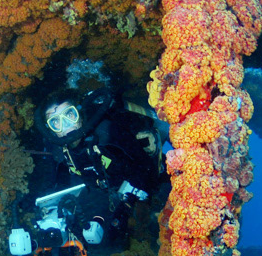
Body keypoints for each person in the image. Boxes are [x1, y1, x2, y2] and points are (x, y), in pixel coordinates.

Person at [34, 87, 165, 246]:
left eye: (69, 114)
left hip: (149, 176)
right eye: (56, 122)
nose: (66, 125)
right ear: (51, 131)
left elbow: (146, 169)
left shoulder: (107, 133)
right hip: (110, 188)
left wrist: (128, 203)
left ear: (79, 114)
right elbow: (56, 185)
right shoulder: (59, 151)